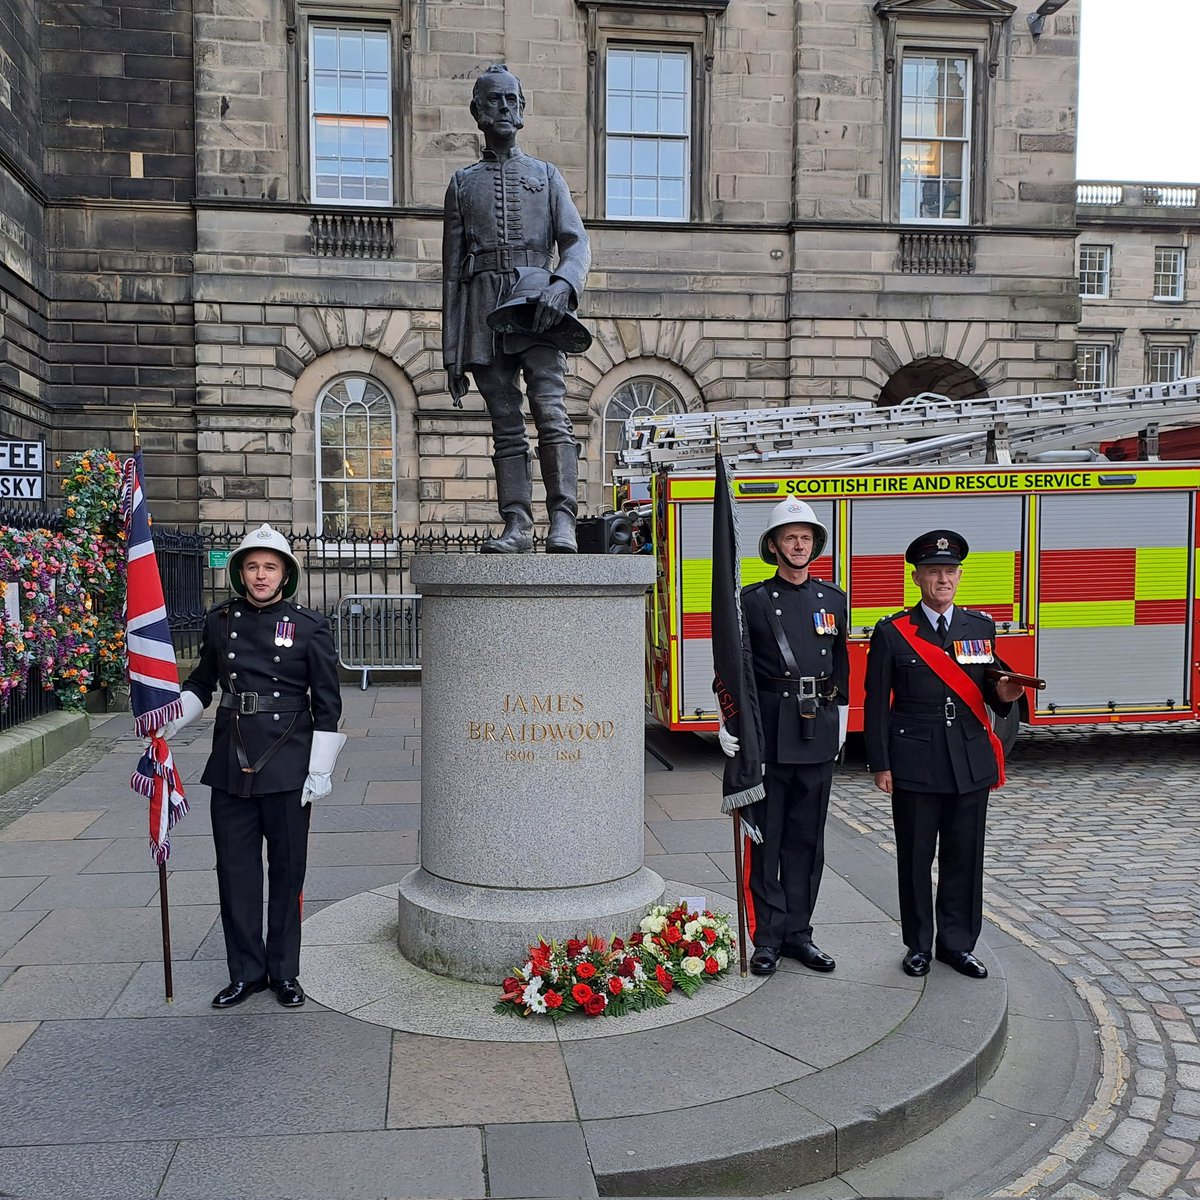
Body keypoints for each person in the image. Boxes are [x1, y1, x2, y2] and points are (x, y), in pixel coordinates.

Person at [162, 524, 345, 1008]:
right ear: (240, 573)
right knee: (236, 872)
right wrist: (172, 719)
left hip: (287, 760)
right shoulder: (219, 620)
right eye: (252, 566)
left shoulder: (309, 626)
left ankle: (284, 971)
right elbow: (203, 682)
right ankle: (246, 972)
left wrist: (320, 768)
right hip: (231, 760)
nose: (261, 575)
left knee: (287, 871)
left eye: (270, 566)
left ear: (286, 574)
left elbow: (327, 702)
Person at [441, 64, 592, 554]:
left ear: (523, 111)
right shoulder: (462, 184)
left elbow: (576, 244)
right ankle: (518, 524)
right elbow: (450, 274)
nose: (504, 109)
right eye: (493, 101)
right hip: (483, 307)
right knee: (505, 421)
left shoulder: (547, 177)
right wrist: (452, 354)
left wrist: (564, 284)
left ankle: (563, 519)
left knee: (551, 412)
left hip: (537, 305)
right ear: (476, 113)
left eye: (512, 100)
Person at [863, 530, 1024, 980]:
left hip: (969, 758)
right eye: (933, 571)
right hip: (915, 759)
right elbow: (876, 700)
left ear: (959, 575)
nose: (943, 579)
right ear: (917, 577)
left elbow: (988, 688)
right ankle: (918, 944)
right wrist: (881, 763)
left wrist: (1004, 694)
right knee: (915, 858)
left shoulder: (980, 627)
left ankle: (957, 944)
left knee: (965, 855)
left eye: (949, 571)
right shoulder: (893, 631)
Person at [718, 497, 849, 976]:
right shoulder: (751, 601)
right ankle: (767, 937)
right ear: (773, 546)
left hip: (816, 733)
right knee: (768, 840)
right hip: (770, 732)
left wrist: (842, 718)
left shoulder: (833, 599)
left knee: (807, 840)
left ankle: (799, 934)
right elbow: (734, 668)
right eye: (790, 537)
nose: (799, 544)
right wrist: (727, 720)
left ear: (815, 545)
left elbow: (841, 665)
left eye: (806, 537)